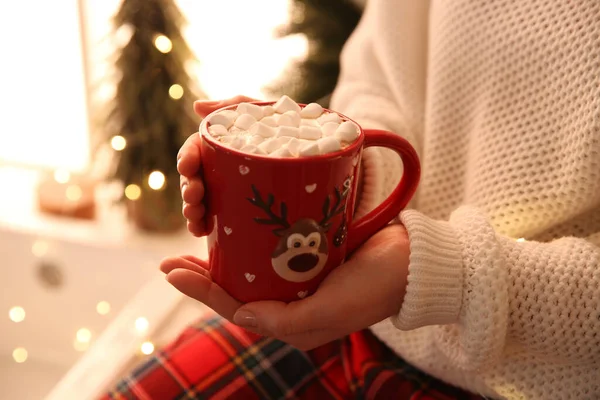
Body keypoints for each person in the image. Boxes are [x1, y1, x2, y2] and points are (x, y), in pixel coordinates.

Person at [103, 1, 600, 399]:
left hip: (533, 380)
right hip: (359, 317)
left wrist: (443, 275)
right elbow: (381, 72)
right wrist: (345, 187)